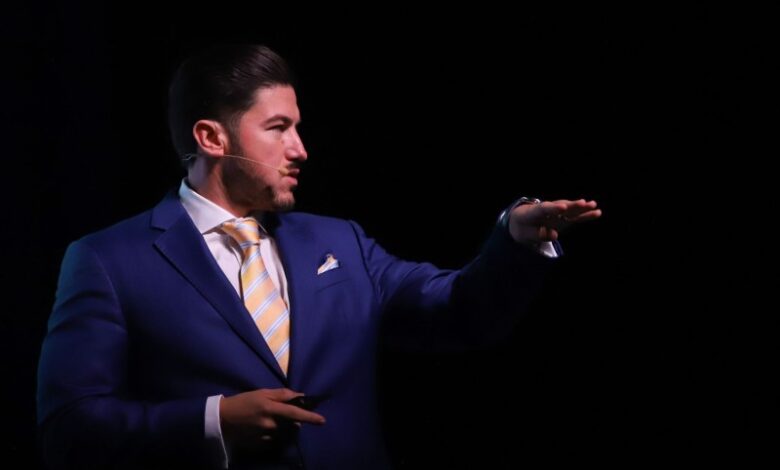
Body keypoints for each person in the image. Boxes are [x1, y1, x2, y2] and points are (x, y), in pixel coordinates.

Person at [37, 44, 601, 469]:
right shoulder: (107, 261)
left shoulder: (340, 242)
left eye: (298, 128)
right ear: (211, 138)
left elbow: (460, 312)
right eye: (278, 128)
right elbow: (69, 427)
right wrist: (212, 421)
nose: (300, 149)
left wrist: (514, 240)